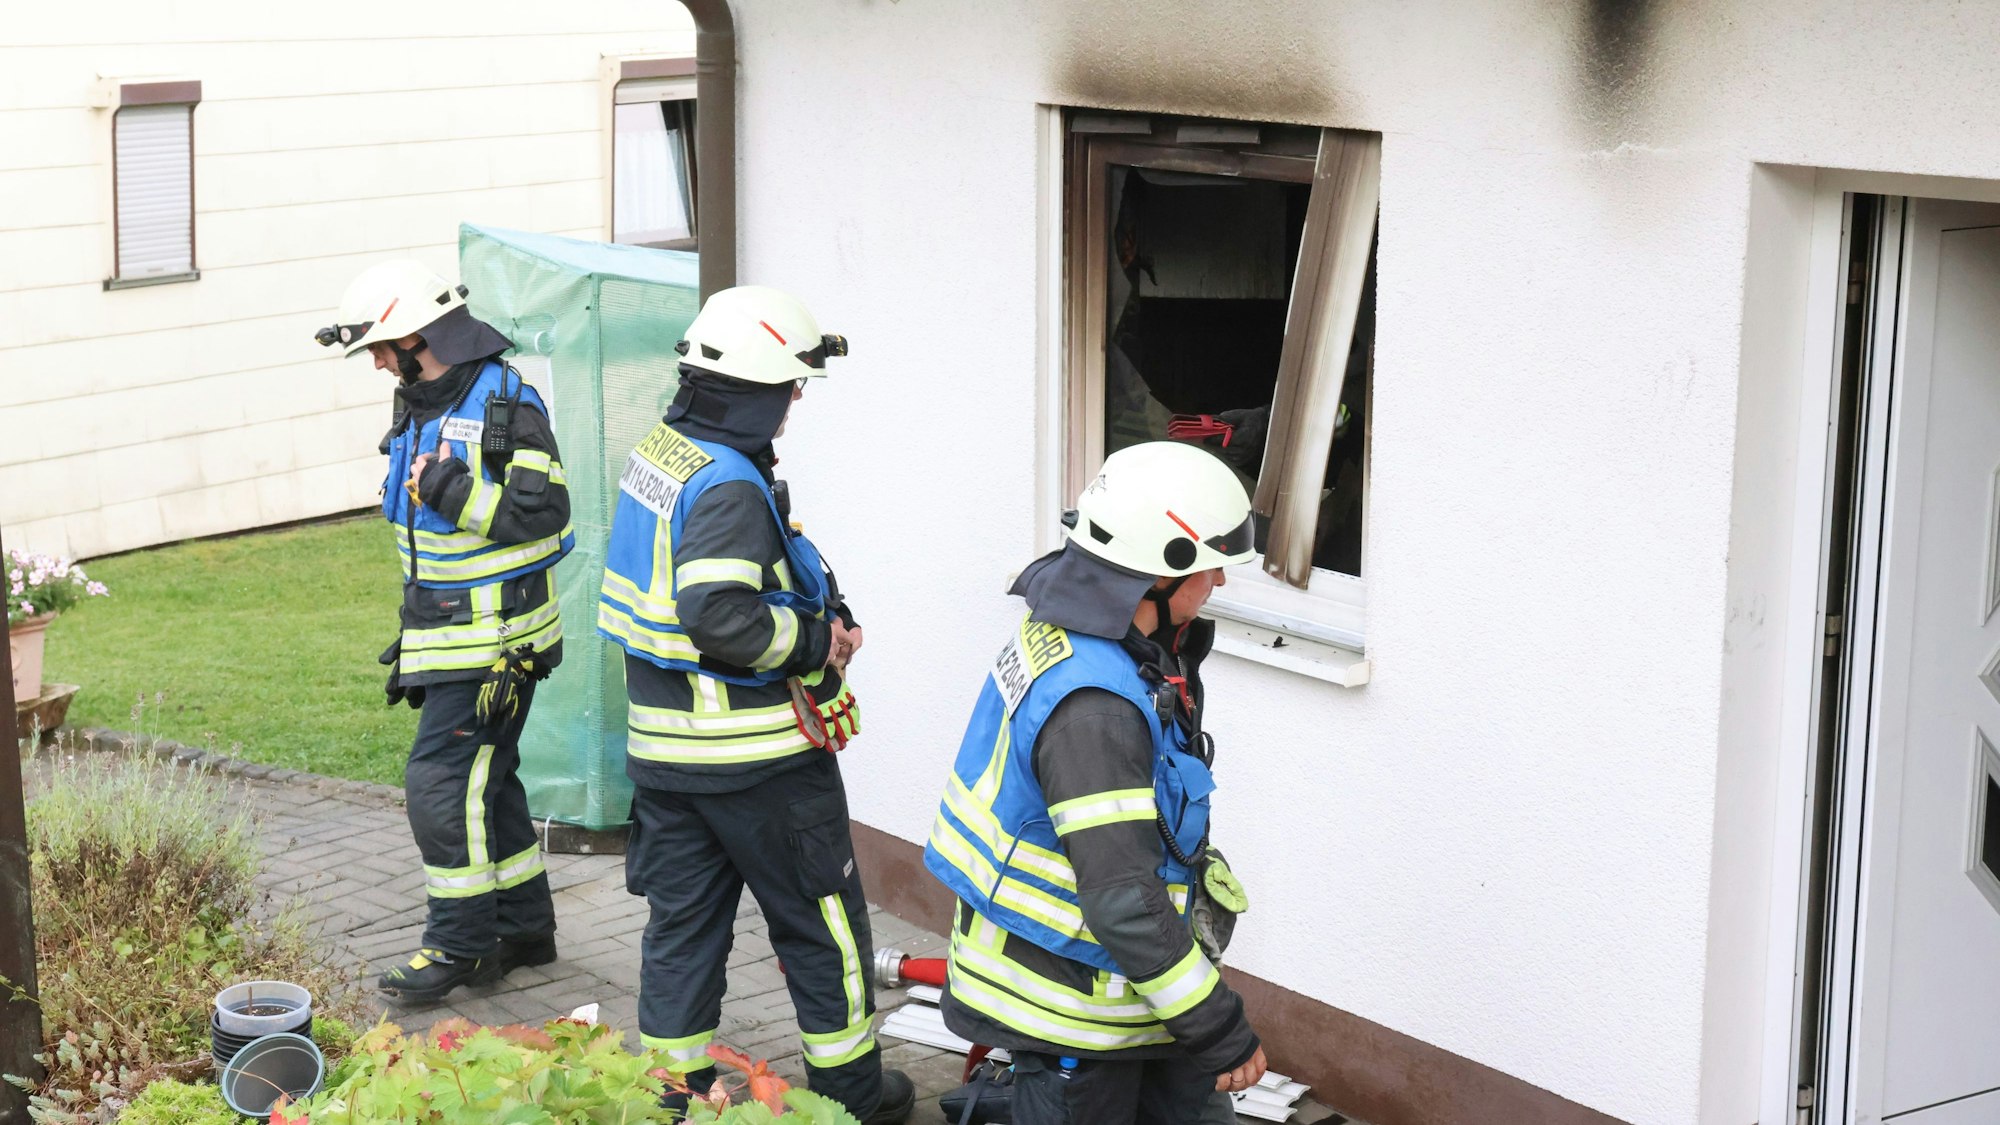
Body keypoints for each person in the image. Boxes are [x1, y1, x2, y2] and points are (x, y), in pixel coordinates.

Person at [597, 285, 912, 1124]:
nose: (798, 400)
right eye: (791, 384)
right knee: (823, 929)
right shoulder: (730, 484)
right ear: (756, 387)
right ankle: (852, 1099)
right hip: (758, 759)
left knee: (683, 928)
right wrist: (819, 644)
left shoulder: (662, 454)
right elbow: (719, 614)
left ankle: (674, 1095)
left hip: (667, 757)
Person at [925, 441, 1268, 1124]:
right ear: (1159, 574)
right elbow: (1123, 900)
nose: (1220, 585)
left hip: (1122, 995)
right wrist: (1217, 1023)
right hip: (1075, 1012)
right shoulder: (1098, 705)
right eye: (1210, 567)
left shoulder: (1088, 638)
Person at [315, 260, 574, 1004]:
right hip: (450, 636)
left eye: (379, 347)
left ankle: (458, 944)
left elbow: (546, 515)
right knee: (487, 784)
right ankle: (524, 930)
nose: (374, 363)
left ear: (415, 337)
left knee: (439, 786)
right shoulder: (421, 400)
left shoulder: (506, 403)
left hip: (498, 645)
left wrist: (448, 488)